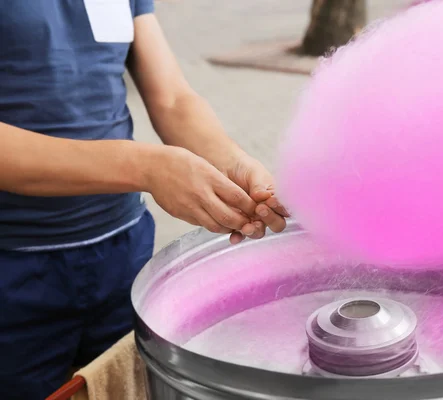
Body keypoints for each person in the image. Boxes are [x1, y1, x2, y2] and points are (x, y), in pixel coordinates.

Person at [0, 0, 288, 398]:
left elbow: (171, 97)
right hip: (14, 267)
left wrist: (233, 163)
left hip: (123, 257)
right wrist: (147, 168)